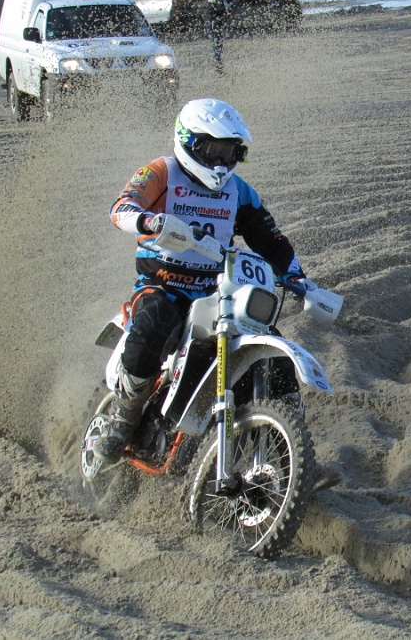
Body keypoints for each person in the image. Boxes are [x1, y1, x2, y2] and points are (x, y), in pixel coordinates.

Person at [94, 97, 314, 464]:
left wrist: (297, 277)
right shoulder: (161, 172)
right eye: (211, 149)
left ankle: (284, 452)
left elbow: (269, 238)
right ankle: (123, 415)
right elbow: (122, 207)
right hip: (163, 285)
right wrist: (148, 221)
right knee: (153, 324)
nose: (219, 161)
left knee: (271, 346)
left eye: (229, 152)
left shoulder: (239, 191)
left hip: (217, 292)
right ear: (189, 141)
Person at [205, 0, 238, 74]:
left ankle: (218, 65)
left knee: (217, 42)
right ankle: (218, 67)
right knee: (217, 43)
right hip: (214, 20)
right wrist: (233, 3)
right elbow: (225, 5)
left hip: (211, 18)